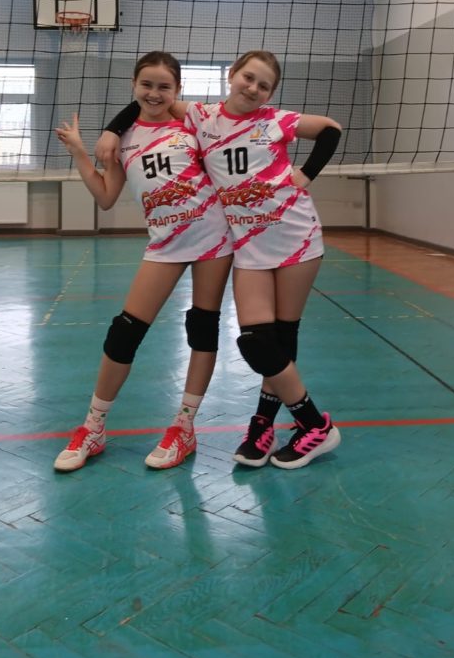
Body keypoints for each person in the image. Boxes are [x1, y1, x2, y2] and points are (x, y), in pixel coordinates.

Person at [99, 50, 342, 470]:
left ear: (270, 94)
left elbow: (330, 130)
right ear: (232, 75)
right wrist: (111, 129)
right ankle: (314, 424)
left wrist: (304, 176)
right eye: (248, 77)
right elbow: (150, 99)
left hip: (295, 236)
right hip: (247, 243)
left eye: (263, 85)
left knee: (281, 336)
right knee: (256, 341)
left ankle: (265, 424)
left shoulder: (275, 120)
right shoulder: (201, 116)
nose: (253, 88)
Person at [53, 51, 233, 473]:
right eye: (146, 85)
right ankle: (93, 427)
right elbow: (105, 197)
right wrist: (80, 152)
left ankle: (184, 427)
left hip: (213, 238)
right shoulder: (124, 137)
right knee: (125, 332)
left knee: (202, 328)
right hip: (164, 244)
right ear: (133, 86)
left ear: (178, 90)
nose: (154, 93)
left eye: (164, 86)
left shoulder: (194, 124)